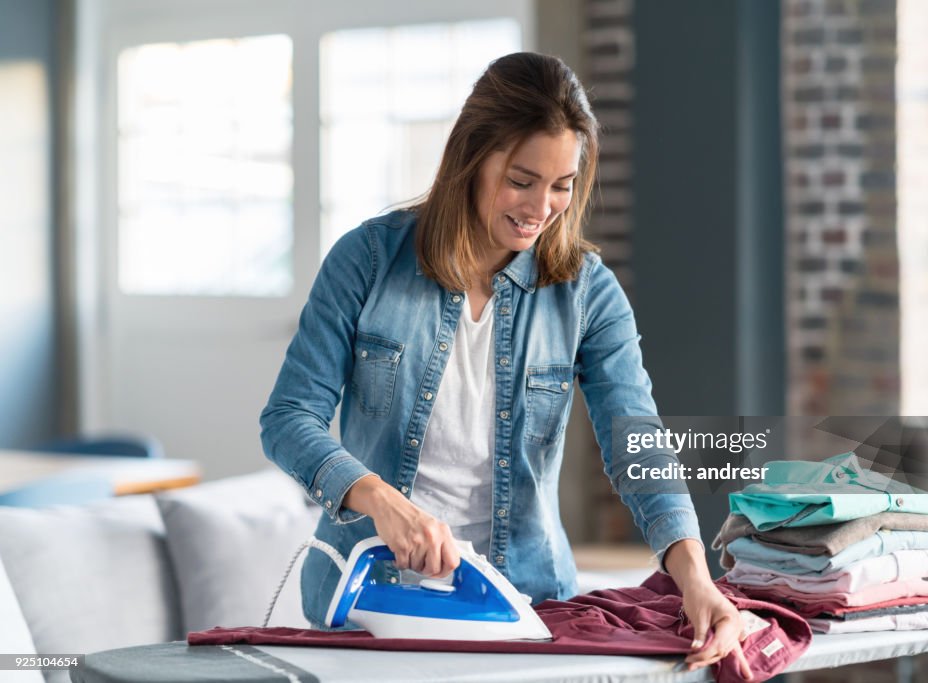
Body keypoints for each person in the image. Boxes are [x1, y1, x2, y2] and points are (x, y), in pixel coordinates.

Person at [261, 51, 751, 677]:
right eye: (521, 180)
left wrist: (695, 578)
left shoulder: (585, 292)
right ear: (471, 157)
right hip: (368, 609)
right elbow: (288, 418)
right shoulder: (367, 261)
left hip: (528, 604)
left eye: (562, 186)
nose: (540, 208)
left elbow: (639, 440)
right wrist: (382, 501)